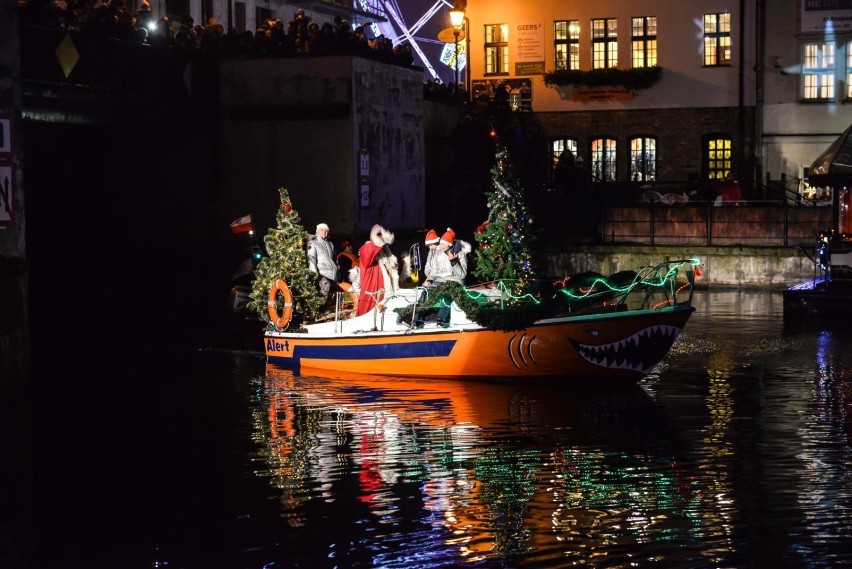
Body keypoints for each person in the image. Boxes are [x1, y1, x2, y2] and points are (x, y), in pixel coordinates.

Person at [356, 224, 396, 316]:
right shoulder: (366, 250)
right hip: (373, 297)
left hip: (386, 296)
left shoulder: (387, 256)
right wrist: (377, 236)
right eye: (379, 237)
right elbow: (371, 250)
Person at [306, 222, 339, 309]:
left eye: (326, 230)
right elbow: (311, 258)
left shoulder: (330, 244)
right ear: (317, 231)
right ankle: (319, 309)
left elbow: (335, 259)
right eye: (322, 230)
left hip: (332, 274)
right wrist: (314, 273)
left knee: (331, 292)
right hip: (321, 273)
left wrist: (338, 272)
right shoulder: (313, 243)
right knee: (326, 286)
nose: (325, 232)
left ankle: (326, 309)